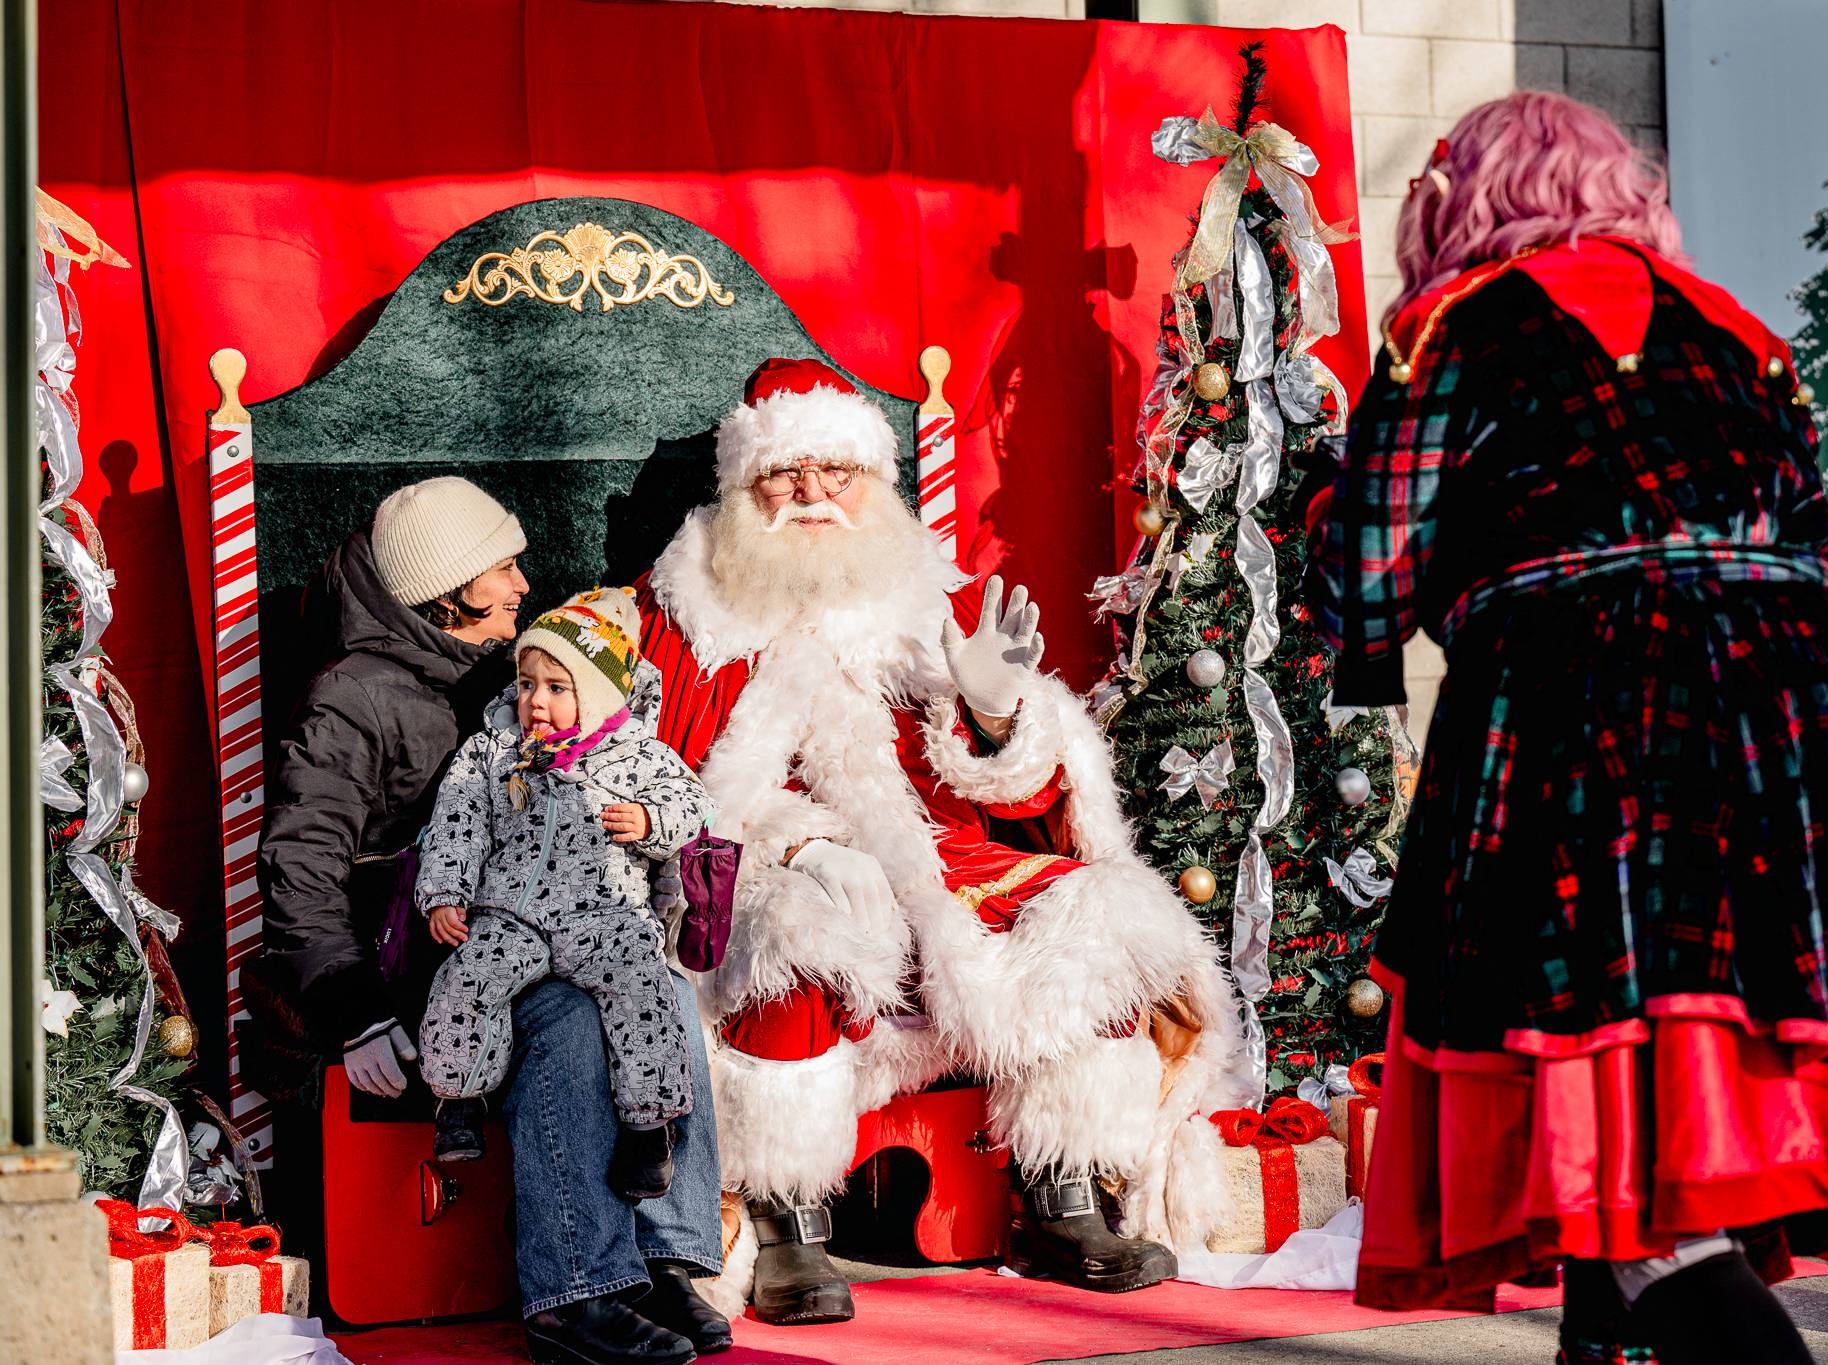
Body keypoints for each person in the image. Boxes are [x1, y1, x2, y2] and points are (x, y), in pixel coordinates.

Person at [1302, 92, 1828, 1365]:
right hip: (1810, 703)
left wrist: (1356, 622)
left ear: (1459, 203)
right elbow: (1810, 536)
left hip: (1595, 702)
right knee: (1670, 1090)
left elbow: (1368, 570)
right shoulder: (1736, 328)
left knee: (1616, 1106)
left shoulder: (1449, 328)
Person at [633, 357, 1241, 1325]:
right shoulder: (691, 603)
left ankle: (1064, 1193)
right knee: (794, 934)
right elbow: (664, 770)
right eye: (787, 477)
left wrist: (996, 718)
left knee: (1090, 912)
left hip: (934, 852)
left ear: (870, 483)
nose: (811, 496)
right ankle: (790, 1221)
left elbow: (1022, 788)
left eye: (835, 474)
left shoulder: (921, 592)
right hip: (768, 851)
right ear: (746, 488)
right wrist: (784, 840)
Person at [255, 478, 730, 1364]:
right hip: (436, 949)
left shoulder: (512, 671)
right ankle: (574, 1292)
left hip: (548, 915)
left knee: (658, 985)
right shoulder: (351, 699)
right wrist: (354, 1009)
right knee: (568, 1017)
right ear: (447, 589)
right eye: (503, 567)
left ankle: (663, 1258)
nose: (522, 583)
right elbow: (301, 862)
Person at [417, 587, 718, 1203]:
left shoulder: (635, 754)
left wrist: (648, 820)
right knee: (467, 978)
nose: (536, 702)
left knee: (644, 992)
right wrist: (447, 891)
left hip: (603, 914)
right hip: (515, 914)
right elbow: (457, 823)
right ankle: (460, 1097)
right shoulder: (494, 754)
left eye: (557, 688)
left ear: (597, 694)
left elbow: (693, 805)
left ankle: (648, 1127)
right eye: (527, 684)